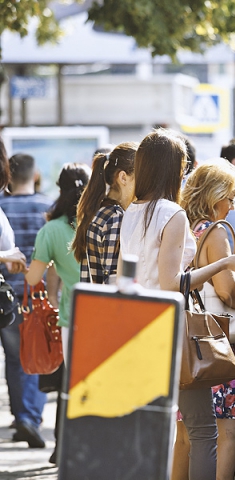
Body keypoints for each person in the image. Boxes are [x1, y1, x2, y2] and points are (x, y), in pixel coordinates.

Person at [119, 129, 235, 480]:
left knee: (154, 430)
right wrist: (224, 264)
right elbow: (173, 283)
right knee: (201, 430)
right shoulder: (171, 213)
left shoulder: (131, 212)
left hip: (136, 326)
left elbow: (128, 277)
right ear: (174, 168)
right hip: (169, 330)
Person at [178, 158, 235, 480]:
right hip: (214, 342)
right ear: (215, 196)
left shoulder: (183, 227)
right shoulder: (215, 233)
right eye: (230, 198)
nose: (232, 206)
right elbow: (226, 290)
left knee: (186, 434)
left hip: (186, 340)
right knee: (229, 432)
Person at [25, 162, 91, 463]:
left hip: (72, 317)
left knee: (70, 384)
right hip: (108, 313)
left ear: (60, 189)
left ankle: (64, 446)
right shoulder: (102, 220)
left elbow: (31, 278)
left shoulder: (51, 229)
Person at [0, 151, 47, 450]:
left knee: (13, 358)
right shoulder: (46, 207)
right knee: (33, 357)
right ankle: (30, 415)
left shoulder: (2, 206)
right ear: (34, 174)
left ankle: (21, 416)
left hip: (4, 296)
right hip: (34, 294)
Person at [72, 142, 137, 284]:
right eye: (141, 177)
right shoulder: (115, 217)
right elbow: (113, 281)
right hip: (105, 305)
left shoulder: (99, 210)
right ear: (123, 177)